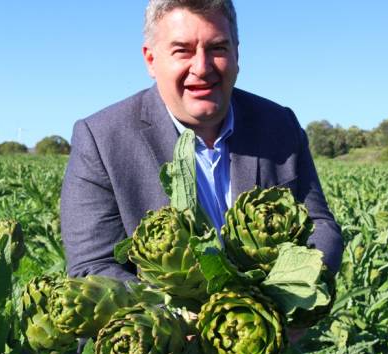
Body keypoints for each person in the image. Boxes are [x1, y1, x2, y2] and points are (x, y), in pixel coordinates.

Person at [61, 0, 343, 286]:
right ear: (151, 60)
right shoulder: (101, 139)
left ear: (236, 54)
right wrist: (174, 318)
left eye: (217, 48)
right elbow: (92, 265)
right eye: (182, 50)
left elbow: (320, 226)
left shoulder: (279, 125)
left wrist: (289, 297)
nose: (202, 67)